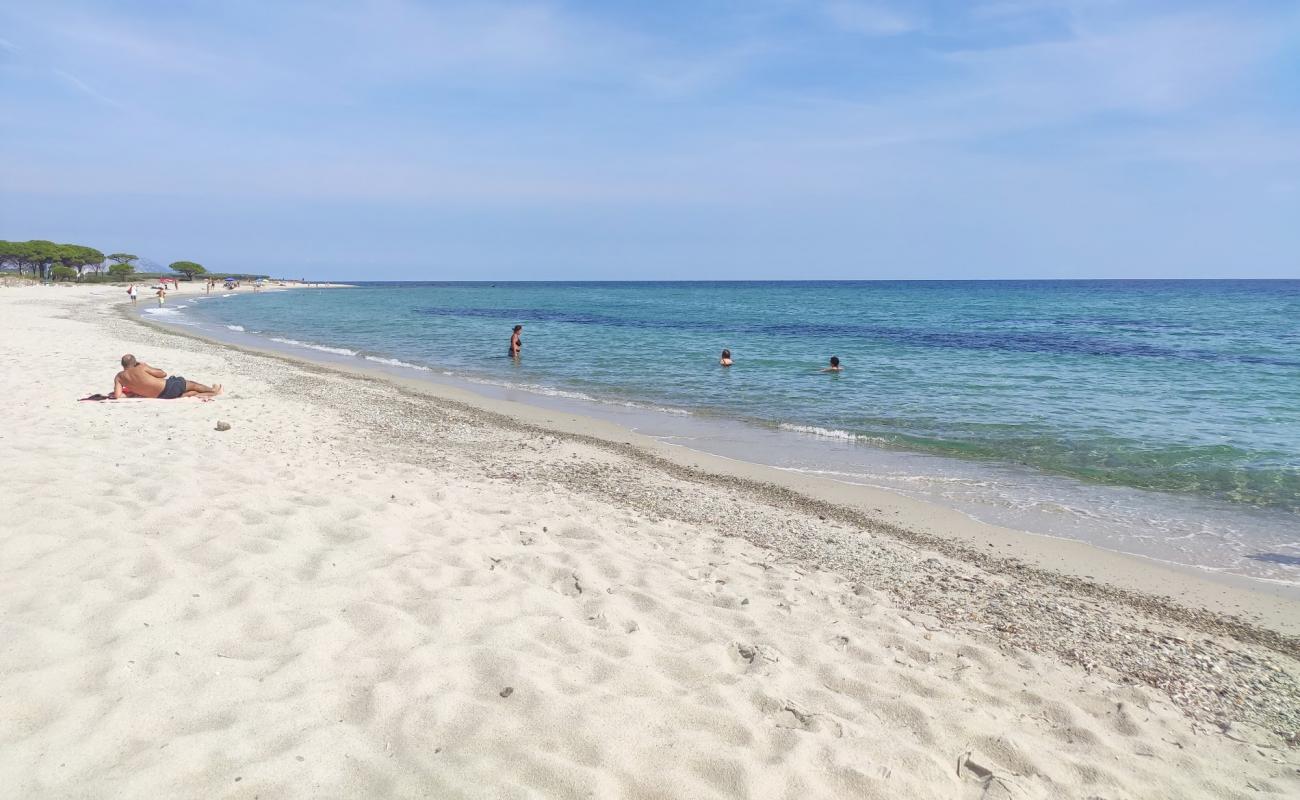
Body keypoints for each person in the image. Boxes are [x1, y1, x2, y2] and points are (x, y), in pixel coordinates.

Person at [112, 354, 222, 400]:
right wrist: (145, 366)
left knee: (189, 393)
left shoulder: (119, 377)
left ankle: (212, 393)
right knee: (192, 384)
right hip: (168, 387)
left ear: (123, 365)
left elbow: (117, 395)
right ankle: (213, 390)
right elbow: (163, 374)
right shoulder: (141, 367)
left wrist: (132, 393)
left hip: (161, 396)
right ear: (135, 362)